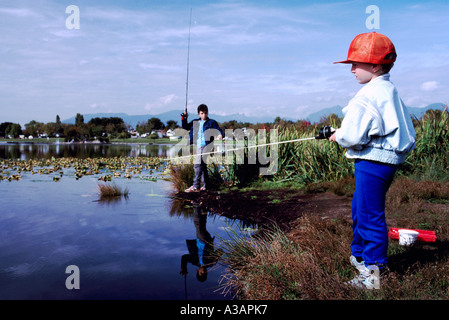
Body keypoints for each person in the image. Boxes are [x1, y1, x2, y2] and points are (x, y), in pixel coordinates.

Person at [329, 32, 416, 289]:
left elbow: (353, 134)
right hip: (384, 162)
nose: (352, 69)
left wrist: (339, 136)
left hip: (372, 163)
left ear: (376, 65)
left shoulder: (368, 95)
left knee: (369, 216)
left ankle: (373, 275)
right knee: (360, 208)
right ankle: (360, 257)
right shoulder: (388, 89)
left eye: (357, 63)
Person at [181, 104, 224, 192]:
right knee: (202, 166)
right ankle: (206, 186)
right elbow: (185, 127)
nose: (204, 115)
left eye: (205, 113)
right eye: (202, 113)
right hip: (199, 145)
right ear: (198, 114)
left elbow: (219, 130)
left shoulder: (211, 122)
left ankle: (196, 185)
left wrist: (220, 135)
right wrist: (184, 118)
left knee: (197, 164)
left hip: (207, 145)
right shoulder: (195, 122)